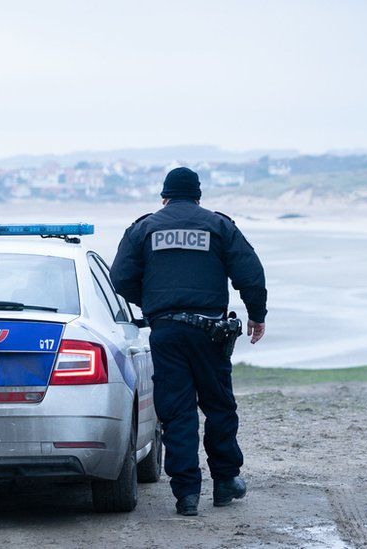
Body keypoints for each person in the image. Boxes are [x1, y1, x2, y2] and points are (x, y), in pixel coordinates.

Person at [109, 166, 267, 516]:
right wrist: (257, 314)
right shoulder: (218, 225)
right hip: (210, 331)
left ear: (164, 196)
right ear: (198, 195)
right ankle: (225, 482)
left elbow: (119, 278)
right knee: (219, 405)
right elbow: (250, 273)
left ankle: (186, 496)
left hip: (166, 331)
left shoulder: (144, 228)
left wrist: (153, 303)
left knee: (177, 411)